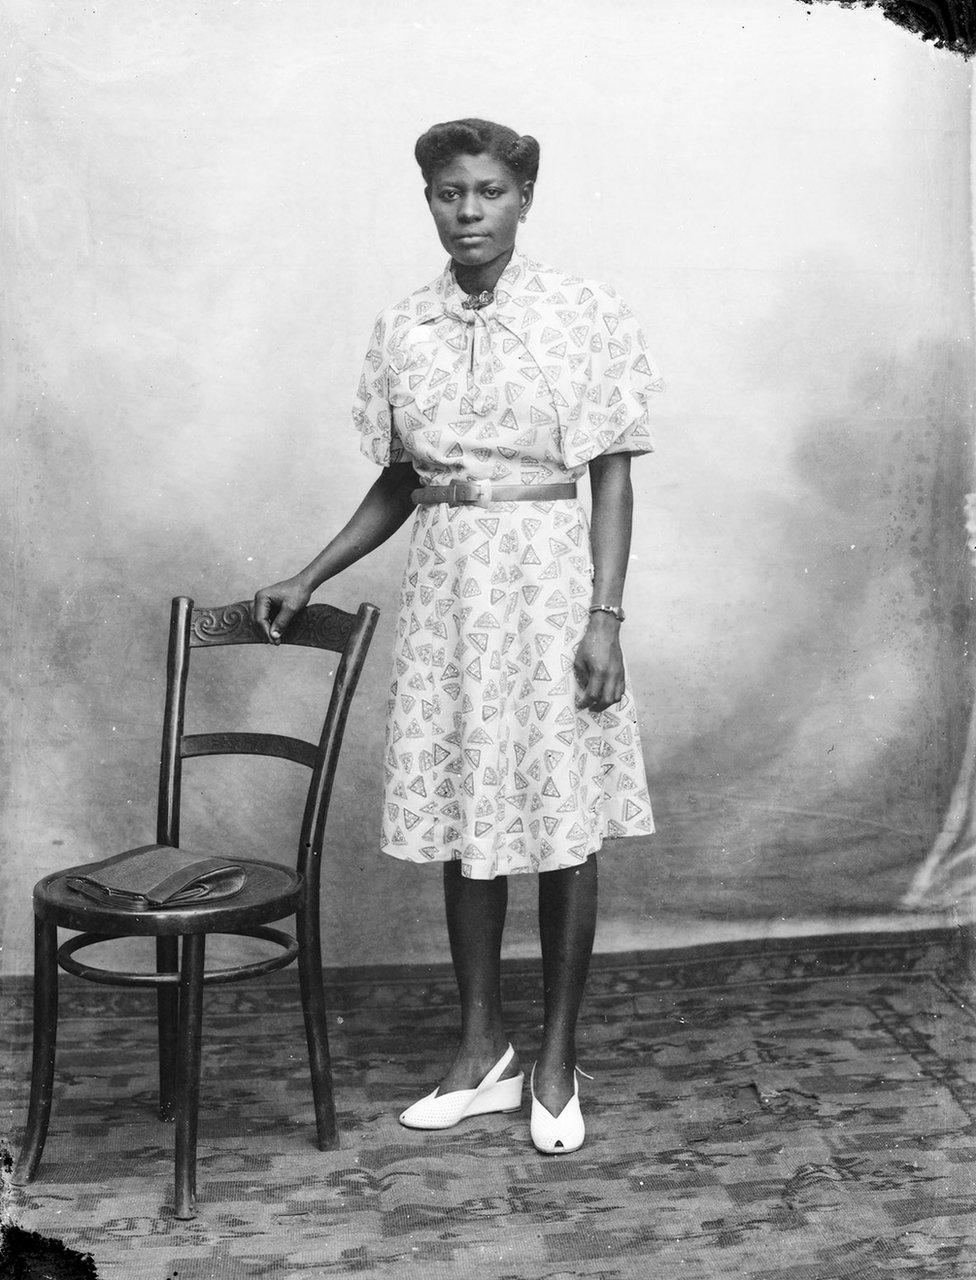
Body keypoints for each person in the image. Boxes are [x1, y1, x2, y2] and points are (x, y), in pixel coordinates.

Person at [253, 118, 664, 1154]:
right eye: (448, 193)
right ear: (428, 201)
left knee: (563, 820)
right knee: (470, 811)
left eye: (487, 190)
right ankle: (483, 1049)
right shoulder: (406, 325)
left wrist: (603, 616)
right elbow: (401, 477)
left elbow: (611, 469)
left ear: (524, 194)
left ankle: (558, 1058)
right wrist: (308, 572)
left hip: (550, 587)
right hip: (450, 595)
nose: (468, 211)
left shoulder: (583, 311)